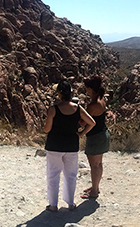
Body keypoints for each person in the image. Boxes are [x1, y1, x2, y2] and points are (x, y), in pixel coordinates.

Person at [42, 82, 95, 212]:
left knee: (53, 175)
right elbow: (92, 123)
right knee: (71, 175)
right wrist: (82, 133)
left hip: (54, 146)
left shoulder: (53, 109)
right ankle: (70, 203)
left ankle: (53, 205)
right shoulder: (78, 108)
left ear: (59, 93)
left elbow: (47, 129)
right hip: (71, 146)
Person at [81, 74, 111, 200]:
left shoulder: (92, 105)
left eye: (86, 88)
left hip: (95, 137)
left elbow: (83, 122)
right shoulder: (102, 100)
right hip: (103, 134)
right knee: (98, 164)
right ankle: (95, 187)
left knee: (94, 165)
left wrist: (79, 110)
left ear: (89, 89)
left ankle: (94, 192)